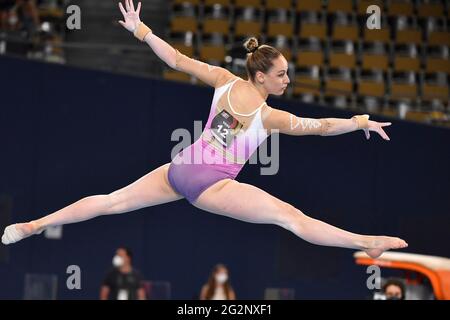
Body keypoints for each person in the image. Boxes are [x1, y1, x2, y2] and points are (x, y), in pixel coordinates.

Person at [2, 0, 408, 261]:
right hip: (211, 185)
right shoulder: (270, 117)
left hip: (181, 168)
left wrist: (141, 30)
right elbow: (321, 127)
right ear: (263, 76)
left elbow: (177, 60)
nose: (288, 80)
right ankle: (365, 242)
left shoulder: (223, 80)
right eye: (282, 74)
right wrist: (358, 123)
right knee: (291, 218)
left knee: (111, 201)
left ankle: (30, 226)